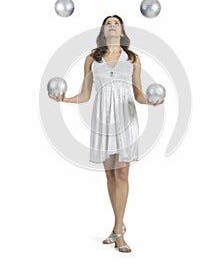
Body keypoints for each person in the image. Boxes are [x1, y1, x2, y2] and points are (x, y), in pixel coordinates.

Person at [48, 15, 164, 253]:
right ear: (103, 30)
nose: (112, 25)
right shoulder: (92, 58)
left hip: (125, 116)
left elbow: (139, 93)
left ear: (122, 31)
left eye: (116, 23)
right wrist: (65, 99)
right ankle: (116, 225)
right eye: (108, 22)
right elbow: (85, 94)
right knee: (110, 175)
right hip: (102, 118)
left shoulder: (132, 58)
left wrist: (151, 102)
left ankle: (119, 231)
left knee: (122, 172)